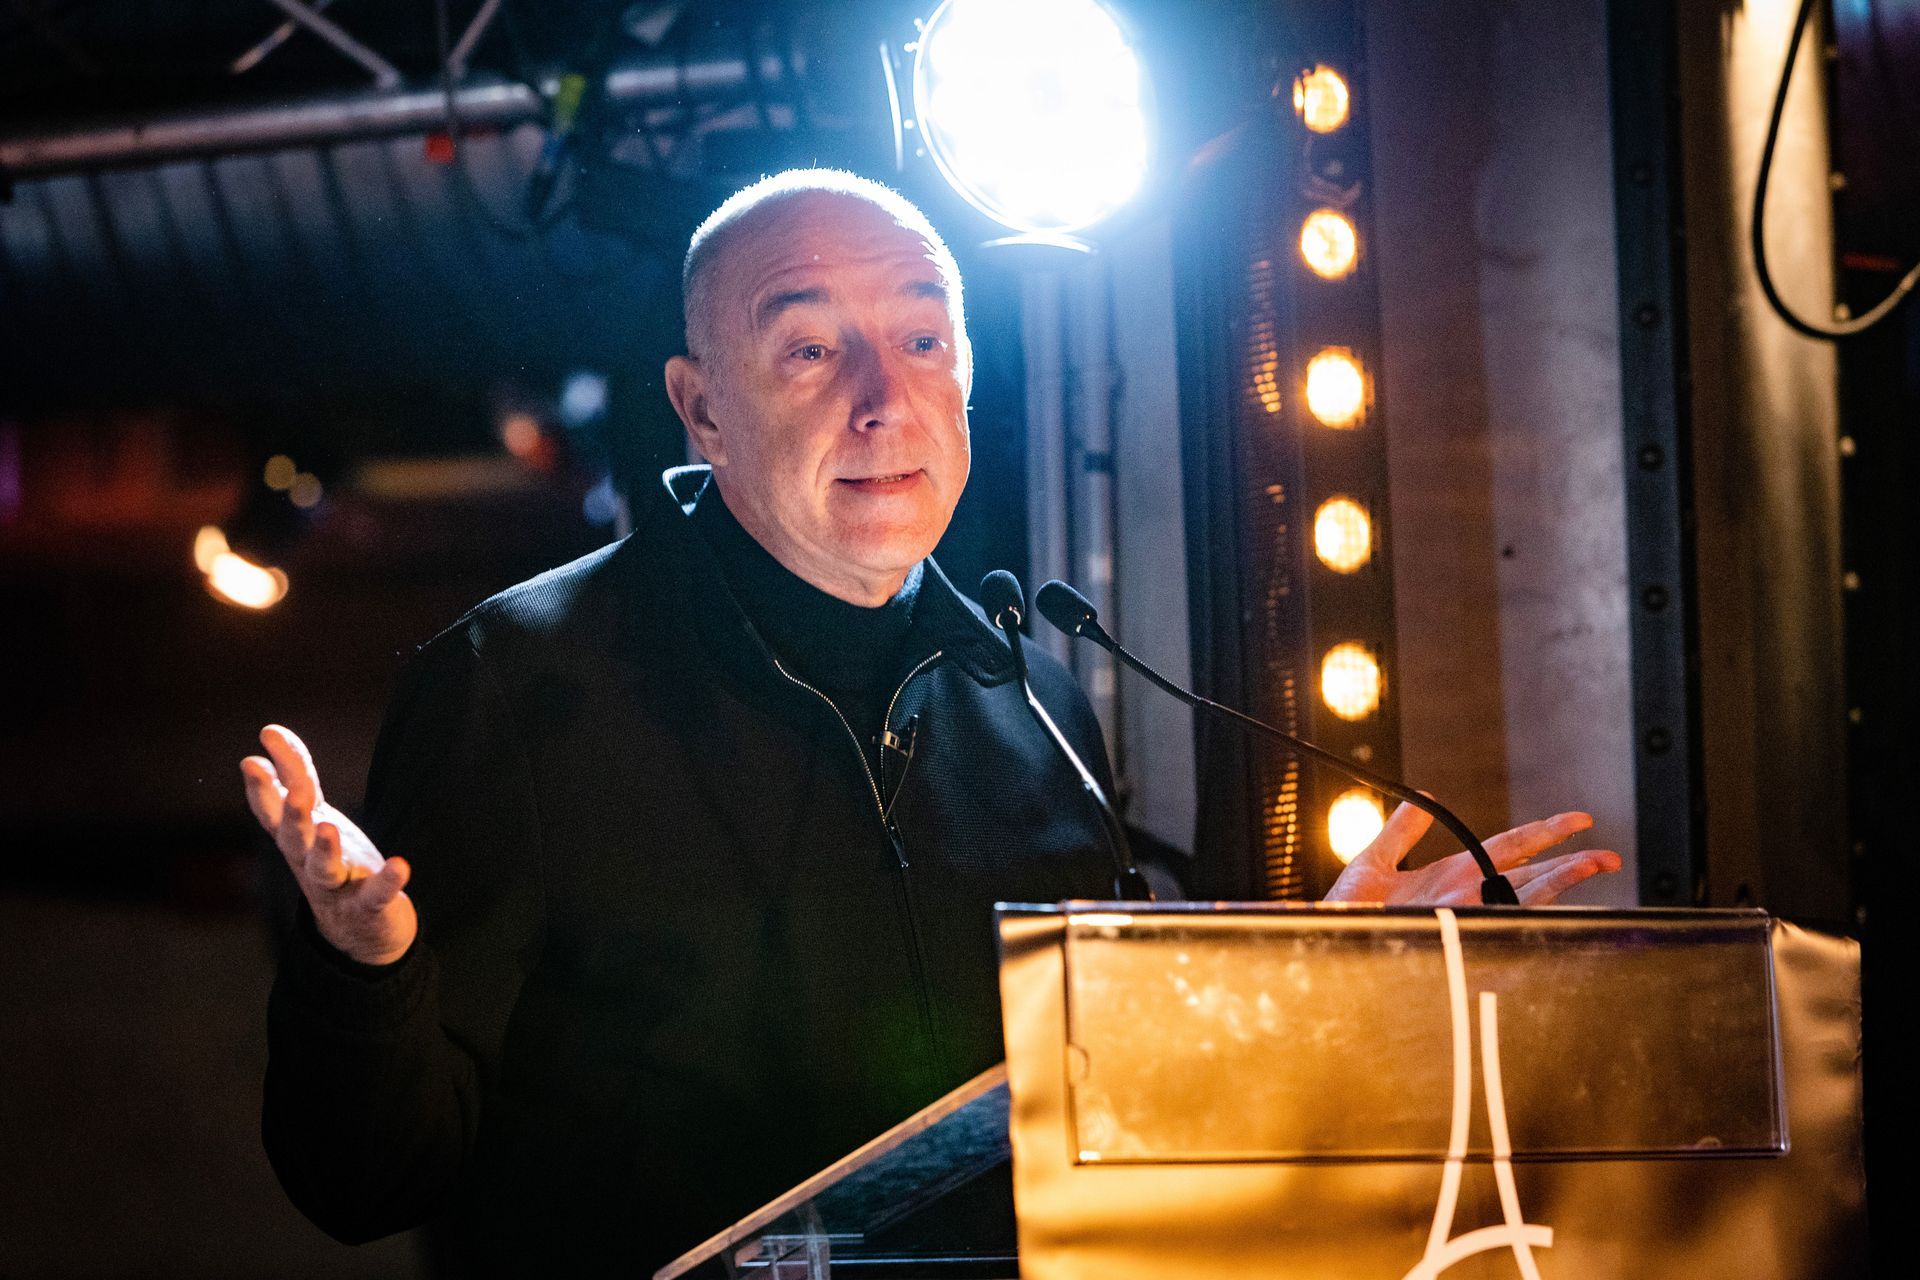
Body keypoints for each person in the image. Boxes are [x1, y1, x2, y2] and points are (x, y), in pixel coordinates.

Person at [241, 170, 1620, 1271]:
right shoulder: (518, 682)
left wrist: (1305, 987)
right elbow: (365, 1185)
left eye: (920, 340)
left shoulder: (1035, 699)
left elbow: (1100, 1114)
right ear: (700, 406)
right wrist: (367, 969)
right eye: (810, 348)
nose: (882, 399)